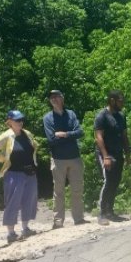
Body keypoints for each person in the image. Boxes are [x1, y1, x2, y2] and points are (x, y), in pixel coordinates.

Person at [0, 110, 39, 243]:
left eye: (21, 120)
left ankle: (26, 228)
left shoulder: (27, 133)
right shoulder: (6, 136)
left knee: (29, 200)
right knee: (12, 202)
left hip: (30, 172)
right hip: (14, 173)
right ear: (9, 122)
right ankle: (11, 233)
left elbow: (34, 147)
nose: (20, 122)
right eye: (17, 120)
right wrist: (3, 159)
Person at [43, 90, 87, 229]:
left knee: (77, 189)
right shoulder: (48, 118)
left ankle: (79, 218)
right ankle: (58, 221)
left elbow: (80, 132)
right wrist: (70, 136)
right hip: (58, 159)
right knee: (58, 191)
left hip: (75, 157)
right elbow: (51, 140)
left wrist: (64, 134)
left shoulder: (71, 114)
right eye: (51, 98)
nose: (54, 99)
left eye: (56, 96)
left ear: (62, 98)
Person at [94, 90, 130, 226]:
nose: (123, 103)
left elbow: (124, 136)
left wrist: (127, 154)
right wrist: (105, 156)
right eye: (121, 100)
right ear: (112, 100)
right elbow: (99, 137)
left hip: (118, 153)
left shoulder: (121, 116)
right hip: (106, 154)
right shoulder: (102, 116)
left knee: (115, 182)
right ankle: (102, 213)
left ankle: (110, 211)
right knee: (108, 181)